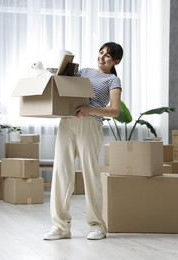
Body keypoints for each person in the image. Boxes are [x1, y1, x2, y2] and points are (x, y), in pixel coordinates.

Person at [43, 42, 124, 240]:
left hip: (90, 124)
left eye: (108, 56)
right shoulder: (84, 71)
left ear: (116, 61)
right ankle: (60, 227)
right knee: (61, 171)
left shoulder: (112, 80)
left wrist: (90, 110)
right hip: (67, 122)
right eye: (101, 52)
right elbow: (62, 82)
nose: (102, 57)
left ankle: (97, 226)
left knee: (90, 173)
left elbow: (115, 110)